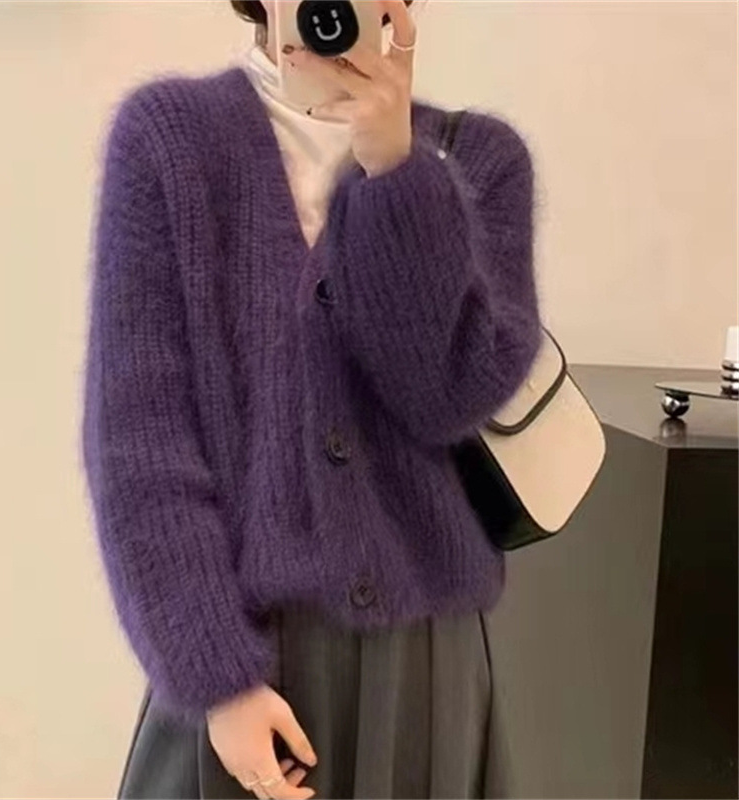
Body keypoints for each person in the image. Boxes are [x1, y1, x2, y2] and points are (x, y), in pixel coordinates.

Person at [81, 0, 542, 797]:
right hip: (242, 661)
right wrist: (218, 679)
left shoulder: (480, 161)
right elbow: (140, 444)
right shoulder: (168, 142)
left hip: (424, 676)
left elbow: (446, 397)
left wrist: (397, 175)